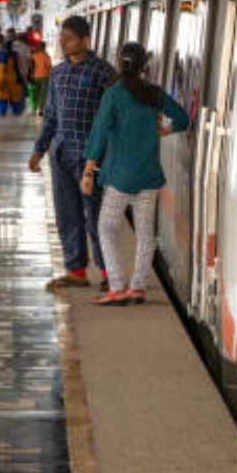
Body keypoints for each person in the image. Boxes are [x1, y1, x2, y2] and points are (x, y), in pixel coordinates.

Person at [84, 42, 191, 305]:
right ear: (145, 66)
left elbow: (99, 133)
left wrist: (88, 171)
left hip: (120, 176)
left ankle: (117, 286)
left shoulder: (114, 93)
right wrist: (166, 130)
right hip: (148, 175)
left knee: (106, 229)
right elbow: (182, 118)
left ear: (119, 64)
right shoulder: (153, 93)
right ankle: (138, 287)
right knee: (145, 233)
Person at [29, 16, 117, 291]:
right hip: (62, 154)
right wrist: (39, 149)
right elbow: (51, 116)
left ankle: (107, 272)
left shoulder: (104, 73)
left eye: (68, 38)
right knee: (67, 215)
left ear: (84, 40)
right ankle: (76, 270)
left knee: (96, 215)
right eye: (61, 38)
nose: (63, 43)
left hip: (92, 156)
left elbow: (113, 117)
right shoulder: (58, 73)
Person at [0, 41, 25, 116]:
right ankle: (15, 112)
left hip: (0, 77)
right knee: (15, 96)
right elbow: (20, 69)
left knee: (1, 95)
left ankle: (2, 112)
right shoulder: (16, 55)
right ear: (11, 47)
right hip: (13, 78)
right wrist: (23, 79)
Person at [31, 42, 52, 116]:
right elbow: (49, 67)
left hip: (35, 76)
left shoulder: (33, 56)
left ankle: (34, 107)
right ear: (44, 48)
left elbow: (31, 67)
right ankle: (40, 109)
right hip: (45, 76)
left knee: (35, 92)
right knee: (43, 94)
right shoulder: (46, 56)